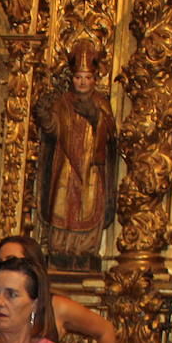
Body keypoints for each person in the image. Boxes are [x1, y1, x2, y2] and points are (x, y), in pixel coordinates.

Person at [0, 234, 116, 343]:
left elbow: (105, 330)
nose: (4, 267)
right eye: (0, 261)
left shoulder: (57, 306)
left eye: (11, 260)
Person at [35, 40, 116, 272]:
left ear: (94, 79)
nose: (83, 82)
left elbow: (110, 134)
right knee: (62, 204)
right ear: (72, 78)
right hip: (66, 164)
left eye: (87, 77)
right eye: (79, 77)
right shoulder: (62, 102)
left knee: (88, 203)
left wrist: (95, 117)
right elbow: (53, 129)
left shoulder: (101, 103)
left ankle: (84, 249)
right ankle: (61, 248)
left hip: (90, 166)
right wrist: (44, 116)